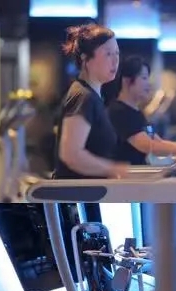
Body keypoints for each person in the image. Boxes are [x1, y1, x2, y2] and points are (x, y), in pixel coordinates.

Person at [107, 56, 176, 165]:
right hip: (128, 176)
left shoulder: (136, 113)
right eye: (144, 78)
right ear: (127, 81)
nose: (148, 84)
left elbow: (158, 142)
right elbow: (149, 146)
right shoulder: (119, 112)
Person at [55, 23, 129, 179]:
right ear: (85, 58)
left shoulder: (92, 96)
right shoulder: (83, 96)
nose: (115, 60)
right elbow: (71, 154)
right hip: (80, 192)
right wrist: (113, 169)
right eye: (108, 54)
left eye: (117, 53)